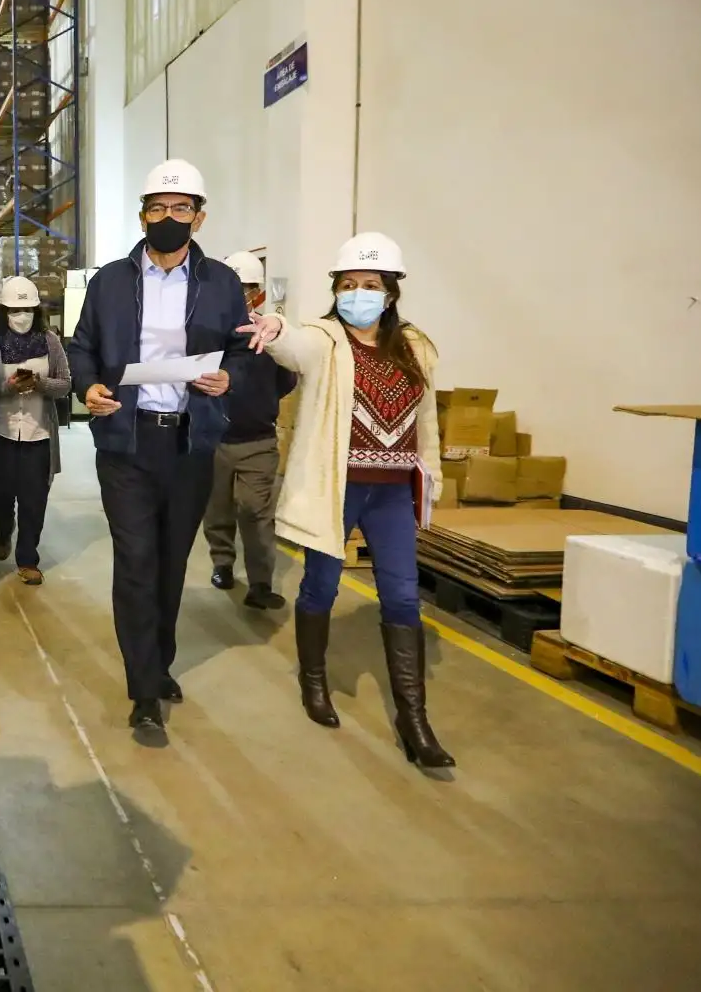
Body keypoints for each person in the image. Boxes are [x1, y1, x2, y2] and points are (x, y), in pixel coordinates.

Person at [240, 231, 454, 769]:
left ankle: (414, 720)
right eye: (349, 284)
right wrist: (276, 329)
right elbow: (295, 346)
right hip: (338, 488)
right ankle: (314, 683)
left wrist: (432, 474)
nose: (359, 293)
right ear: (335, 289)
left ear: (391, 291)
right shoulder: (326, 339)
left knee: (402, 597)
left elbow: (427, 420)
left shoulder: (416, 347)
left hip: (393, 493)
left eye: (371, 284)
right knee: (322, 585)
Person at [67, 159, 253, 748]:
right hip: (127, 440)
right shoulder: (110, 282)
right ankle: (144, 691)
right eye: (157, 207)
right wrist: (87, 386)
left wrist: (230, 377)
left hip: (190, 442)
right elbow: (82, 346)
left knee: (172, 563)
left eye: (180, 208)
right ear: (142, 214)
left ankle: (159, 662)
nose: (168, 217)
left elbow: (242, 352)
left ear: (199, 217)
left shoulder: (221, 284)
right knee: (136, 561)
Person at [203, 251, 297, 612]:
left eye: (245, 288)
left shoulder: (271, 337)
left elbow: (287, 380)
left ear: (257, 293)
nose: (239, 294)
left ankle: (260, 583)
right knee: (217, 508)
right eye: (232, 286)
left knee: (256, 511)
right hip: (214, 439)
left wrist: (258, 402)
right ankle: (222, 564)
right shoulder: (205, 333)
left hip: (257, 440)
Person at [0, 276, 71, 586]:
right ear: (3, 311)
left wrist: (40, 383)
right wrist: (7, 387)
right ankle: (3, 529)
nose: (22, 316)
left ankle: (28, 559)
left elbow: (65, 384)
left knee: (34, 500)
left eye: (28, 310)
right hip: (0, 437)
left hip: (38, 437)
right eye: (15, 310)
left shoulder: (50, 342)